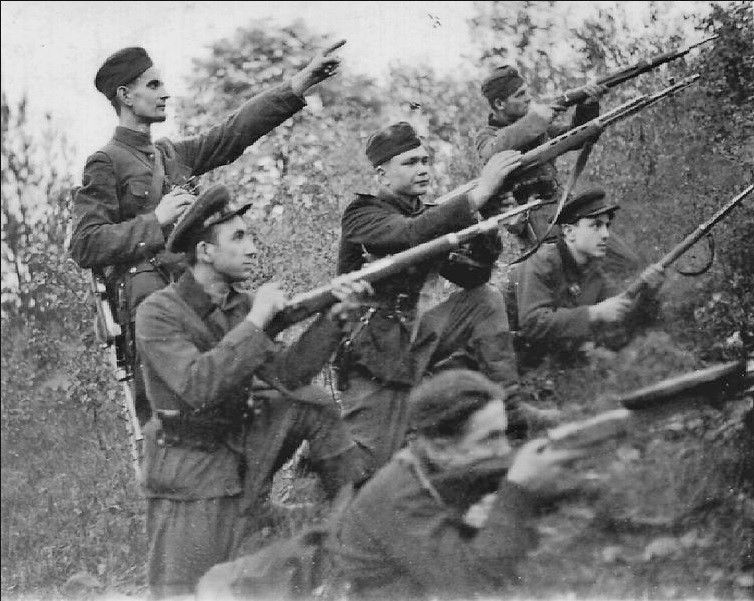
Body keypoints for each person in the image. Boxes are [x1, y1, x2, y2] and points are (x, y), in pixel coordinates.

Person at [69, 41, 345, 425]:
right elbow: (84, 244)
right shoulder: (106, 162)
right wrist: (156, 221)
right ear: (125, 95)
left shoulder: (170, 155)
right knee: (169, 421)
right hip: (150, 307)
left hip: (199, 298)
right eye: (153, 85)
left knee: (232, 398)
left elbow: (232, 134)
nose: (165, 92)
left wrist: (297, 85)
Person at [134, 184, 371, 599]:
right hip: (186, 480)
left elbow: (288, 374)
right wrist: (258, 319)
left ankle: (347, 524)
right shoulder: (158, 311)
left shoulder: (239, 307)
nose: (252, 248)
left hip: (231, 462)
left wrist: (335, 321)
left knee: (312, 404)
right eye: (239, 238)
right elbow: (196, 385)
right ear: (205, 252)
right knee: (184, 594)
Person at [336, 121, 557, 476]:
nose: (422, 168)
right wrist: (476, 195)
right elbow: (408, 236)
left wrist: (485, 221)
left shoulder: (427, 214)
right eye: (409, 162)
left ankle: (511, 409)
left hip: (416, 336)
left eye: (425, 160)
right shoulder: (362, 214)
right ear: (382, 173)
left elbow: (472, 276)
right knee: (367, 471)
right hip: (372, 356)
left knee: (484, 299)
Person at [332, 369, 584, 600]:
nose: (504, 449)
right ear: (441, 447)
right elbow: (474, 586)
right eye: (490, 438)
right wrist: (516, 492)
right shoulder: (398, 496)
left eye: (504, 433)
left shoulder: (438, 468)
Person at [475, 65, 638, 274]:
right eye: (520, 95)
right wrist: (539, 118)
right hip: (535, 221)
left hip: (564, 205)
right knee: (570, 274)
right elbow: (493, 150)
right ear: (499, 104)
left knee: (625, 262)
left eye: (526, 92)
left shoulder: (536, 126)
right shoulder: (487, 136)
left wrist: (587, 104)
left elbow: (575, 137)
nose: (528, 98)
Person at [506, 187, 665, 370]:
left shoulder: (593, 268)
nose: (605, 234)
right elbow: (533, 324)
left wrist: (648, 294)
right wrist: (594, 313)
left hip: (557, 357)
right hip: (517, 359)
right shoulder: (540, 262)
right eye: (596, 225)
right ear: (569, 232)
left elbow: (619, 321)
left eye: (607, 226)